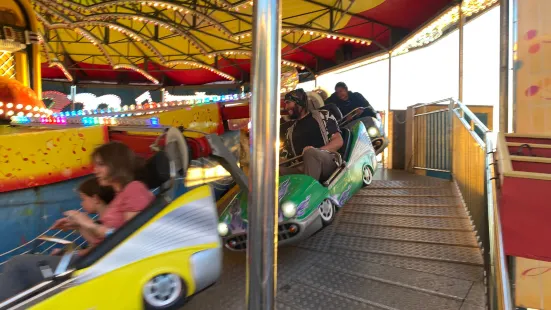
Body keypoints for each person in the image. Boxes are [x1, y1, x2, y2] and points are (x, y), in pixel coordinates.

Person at [0, 142, 154, 301]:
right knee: (15, 269)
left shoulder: (134, 189)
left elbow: (131, 238)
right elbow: (102, 238)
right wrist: (78, 226)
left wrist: (88, 224)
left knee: (17, 266)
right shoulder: (121, 194)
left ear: (117, 165)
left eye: (101, 165)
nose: (96, 170)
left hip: (101, 265)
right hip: (94, 258)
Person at [280, 88, 343, 182]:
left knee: (310, 153)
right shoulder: (290, 131)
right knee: (274, 170)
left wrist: (315, 151)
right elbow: (284, 157)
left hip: (327, 162)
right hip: (302, 168)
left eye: (288, 102)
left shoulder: (323, 116)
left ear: (299, 101)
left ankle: (308, 195)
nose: (286, 107)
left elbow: (338, 141)